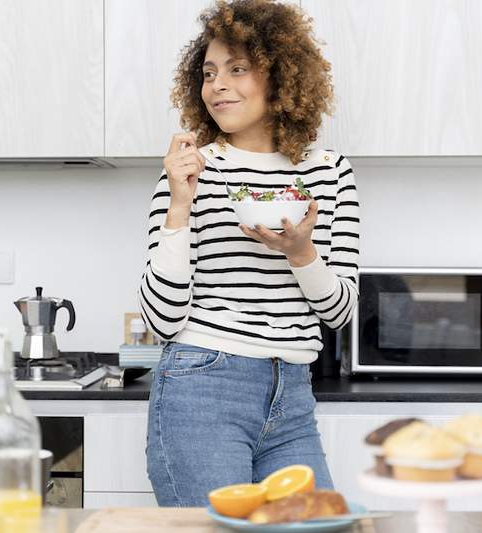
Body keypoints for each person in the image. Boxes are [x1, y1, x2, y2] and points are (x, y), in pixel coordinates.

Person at [138, 0, 359, 507]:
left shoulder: (329, 172)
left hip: (293, 393)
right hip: (202, 385)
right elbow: (163, 318)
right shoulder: (193, 170)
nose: (217, 84)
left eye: (238, 69)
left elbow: (340, 311)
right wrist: (179, 201)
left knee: (315, 525)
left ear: (280, 78)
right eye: (210, 72)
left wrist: (302, 253)